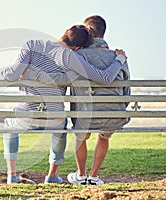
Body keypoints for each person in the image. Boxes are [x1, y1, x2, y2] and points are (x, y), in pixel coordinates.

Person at [0, 25, 127, 184]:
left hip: (26, 115)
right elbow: (104, 78)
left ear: (66, 32)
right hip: (54, 118)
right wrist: (120, 59)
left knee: (9, 125)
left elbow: (13, 73)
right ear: (78, 47)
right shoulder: (70, 56)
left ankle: (12, 175)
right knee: (61, 129)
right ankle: (52, 176)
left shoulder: (32, 45)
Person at [25, 15, 130, 185]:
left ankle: (81, 176)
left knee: (81, 135)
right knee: (104, 136)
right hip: (113, 115)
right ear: (103, 33)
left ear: (87, 32)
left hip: (85, 116)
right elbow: (127, 90)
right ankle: (94, 176)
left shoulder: (77, 54)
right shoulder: (118, 57)